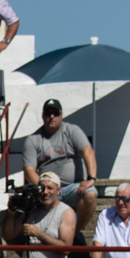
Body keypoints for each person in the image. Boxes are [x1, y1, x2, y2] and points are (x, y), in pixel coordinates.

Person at [22, 99, 99, 233]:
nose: (51, 116)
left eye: (55, 113)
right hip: (47, 189)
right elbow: (29, 171)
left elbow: (88, 151)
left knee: (91, 194)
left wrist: (91, 178)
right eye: (48, 113)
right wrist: (44, 187)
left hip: (72, 188)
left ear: (61, 115)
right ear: (42, 115)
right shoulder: (33, 139)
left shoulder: (72, 130)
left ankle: (77, 232)